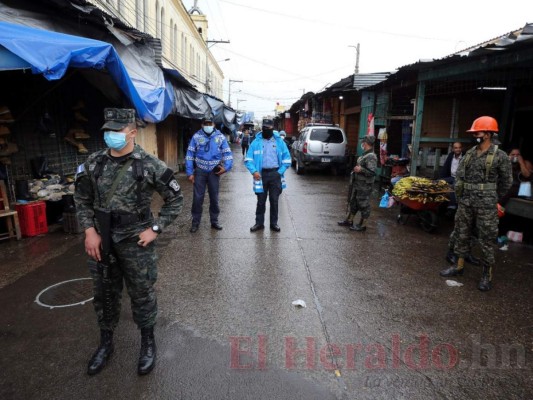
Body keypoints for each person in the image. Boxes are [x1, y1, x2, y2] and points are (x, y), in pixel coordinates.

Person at [74, 108, 183, 375]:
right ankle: (106, 343)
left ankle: (147, 343)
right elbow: (82, 199)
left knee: (142, 293)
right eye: (108, 131)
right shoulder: (93, 164)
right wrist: (89, 231)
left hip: (136, 242)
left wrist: (155, 229)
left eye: (117, 131)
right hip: (102, 240)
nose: (111, 135)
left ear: (133, 133)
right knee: (104, 294)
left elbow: (176, 199)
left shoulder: (150, 165)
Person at [440, 116, 512, 291]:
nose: (475, 136)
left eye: (477, 132)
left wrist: (493, 197)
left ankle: (487, 275)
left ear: (487, 134)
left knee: (486, 239)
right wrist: (460, 196)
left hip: (486, 204)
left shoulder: (500, 156)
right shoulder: (470, 153)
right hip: (466, 202)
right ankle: (458, 265)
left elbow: (507, 182)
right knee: (461, 234)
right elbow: (460, 178)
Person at [185, 117, 233, 233]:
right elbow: (190, 154)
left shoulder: (220, 137)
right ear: (202, 125)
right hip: (200, 170)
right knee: (197, 198)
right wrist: (190, 172)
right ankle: (195, 222)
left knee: (214, 198)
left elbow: (227, 153)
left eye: (209, 123)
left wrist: (226, 167)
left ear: (213, 125)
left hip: (214, 171)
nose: (208, 126)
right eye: (205, 124)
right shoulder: (196, 137)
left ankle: (214, 221)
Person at [245, 118, 291, 232]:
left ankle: (273, 223)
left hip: (275, 174)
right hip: (261, 175)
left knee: (274, 201)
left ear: (272, 128)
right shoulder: (256, 142)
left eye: (268, 128)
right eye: (264, 128)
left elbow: (287, 159)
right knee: (261, 201)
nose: (266, 130)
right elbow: (248, 159)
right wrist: (254, 171)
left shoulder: (279, 142)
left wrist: (279, 172)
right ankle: (259, 223)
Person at [338, 136, 378, 231]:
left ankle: (363, 224)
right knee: (354, 202)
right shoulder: (365, 155)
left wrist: (361, 169)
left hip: (365, 186)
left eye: (363, 142)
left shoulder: (371, 156)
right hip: (358, 184)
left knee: (363, 204)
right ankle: (350, 220)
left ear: (366, 143)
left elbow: (373, 172)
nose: (362, 144)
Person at [440, 141, 464, 212]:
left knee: (453, 186)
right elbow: (445, 167)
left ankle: (452, 206)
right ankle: (439, 203)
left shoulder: (464, 157)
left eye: (459, 148)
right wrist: (441, 178)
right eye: (456, 148)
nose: (458, 149)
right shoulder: (451, 156)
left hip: (460, 178)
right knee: (438, 182)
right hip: (452, 177)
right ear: (453, 149)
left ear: (461, 148)